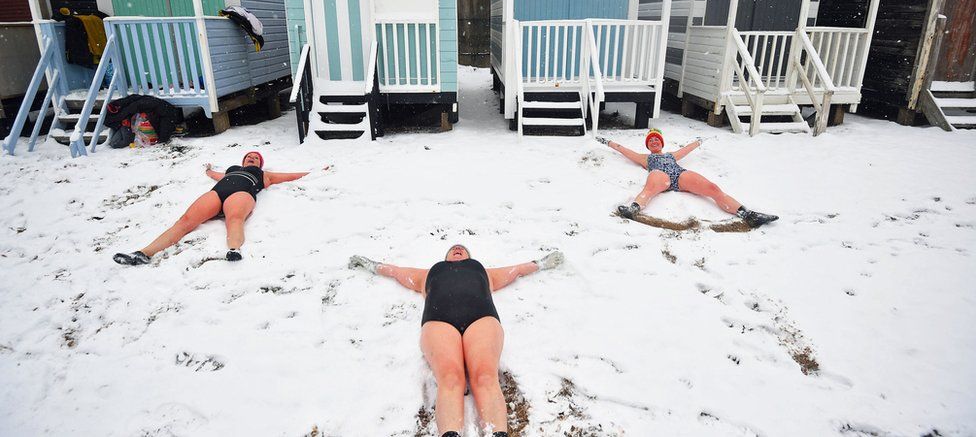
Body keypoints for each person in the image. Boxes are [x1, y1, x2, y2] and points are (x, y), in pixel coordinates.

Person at [348, 245, 564, 437]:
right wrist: (372, 265)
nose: (457, 249)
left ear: (469, 256)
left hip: (480, 319)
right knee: (450, 378)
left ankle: (497, 434)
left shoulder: (481, 271)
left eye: (462, 248)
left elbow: (515, 270)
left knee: (485, 376)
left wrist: (541, 263)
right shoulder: (430, 273)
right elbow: (397, 272)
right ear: (446, 257)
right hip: (439, 321)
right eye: (453, 249)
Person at [113, 151, 322, 265]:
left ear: (259, 164)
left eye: (256, 158)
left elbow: (290, 175)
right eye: (249, 156)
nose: (252, 157)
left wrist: (312, 172)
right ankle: (143, 253)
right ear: (242, 160)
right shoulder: (232, 170)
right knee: (185, 221)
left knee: (234, 220)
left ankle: (234, 250)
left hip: (241, 194)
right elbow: (216, 176)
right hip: (217, 193)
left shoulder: (264, 174)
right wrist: (210, 171)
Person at [598, 128, 777, 227]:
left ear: (661, 143)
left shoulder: (672, 155)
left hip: (679, 175)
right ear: (647, 145)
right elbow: (623, 150)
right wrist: (607, 142)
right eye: (650, 140)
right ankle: (634, 209)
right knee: (651, 187)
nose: (654, 141)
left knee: (713, 188)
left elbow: (687, 149)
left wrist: (699, 141)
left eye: (657, 139)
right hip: (660, 176)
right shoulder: (646, 158)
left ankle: (748, 214)